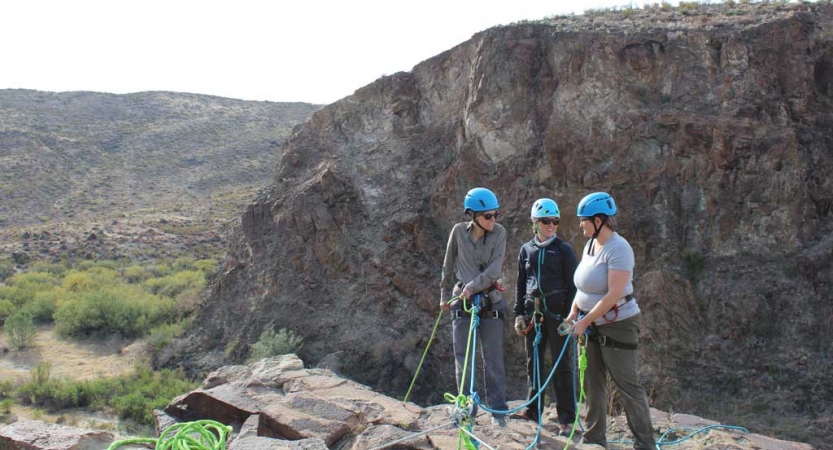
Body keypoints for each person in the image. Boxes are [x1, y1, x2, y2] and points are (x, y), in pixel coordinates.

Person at [567, 192, 656, 449]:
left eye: (583, 220)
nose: (580, 224)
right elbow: (583, 285)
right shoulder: (590, 245)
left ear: (598, 220)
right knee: (592, 383)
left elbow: (613, 294)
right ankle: (594, 437)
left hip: (618, 325)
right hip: (590, 322)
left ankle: (645, 443)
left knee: (627, 385)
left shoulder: (619, 248)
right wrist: (575, 310)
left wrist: (585, 321)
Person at [440, 187, 509, 428]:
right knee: (464, 357)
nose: (493, 220)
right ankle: (466, 406)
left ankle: (498, 411)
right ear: (472, 215)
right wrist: (443, 294)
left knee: (493, 358)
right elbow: (448, 265)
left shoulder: (499, 233)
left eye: (495, 215)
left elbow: (494, 270)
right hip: (462, 301)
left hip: (490, 301)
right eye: (487, 216)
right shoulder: (458, 232)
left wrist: (471, 287)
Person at [511, 198, 578, 436]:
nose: (551, 225)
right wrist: (518, 313)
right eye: (546, 221)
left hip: (558, 312)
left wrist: (569, 316)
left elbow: (574, 286)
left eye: (555, 221)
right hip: (533, 313)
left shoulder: (563, 250)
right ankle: (532, 409)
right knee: (534, 362)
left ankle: (567, 418)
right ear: (535, 223)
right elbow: (521, 283)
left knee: (562, 366)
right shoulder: (526, 250)